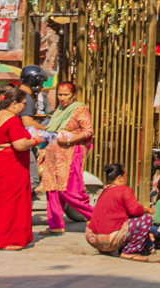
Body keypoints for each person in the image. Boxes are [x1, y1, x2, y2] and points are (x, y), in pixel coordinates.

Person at [38, 80, 96, 236]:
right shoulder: (59, 110)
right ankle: (55, 224)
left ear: (73, 95)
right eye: (59, 94)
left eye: (66, 95)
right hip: (53, 154)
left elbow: (88, 131)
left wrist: (71, 139)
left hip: (70, 154)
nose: (62, 98)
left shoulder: (79, 110)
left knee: (70, 191)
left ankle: (96, 216)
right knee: (53, 190)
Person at [0, 87, 35, 251]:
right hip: (10, 164)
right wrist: (35, 141)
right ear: (14, 104)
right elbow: (19, 145)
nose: (23, 108)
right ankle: (6, 240)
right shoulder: (12, 120)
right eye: (23, 104)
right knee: (10, 204)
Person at [87, 162, 155, 259]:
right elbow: (135, 211)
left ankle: (104, 250)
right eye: (126, 175)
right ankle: (130, 251)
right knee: (146, 219)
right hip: (111, 239)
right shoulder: (125, 190)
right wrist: (146, 209)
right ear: (120, 177)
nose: (127, 178)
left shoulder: (104, 190)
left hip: (93, 238)